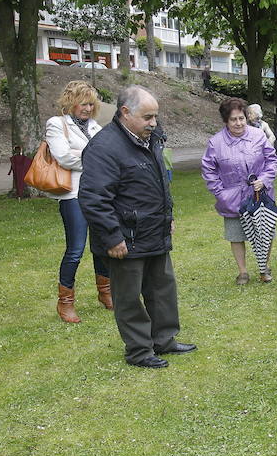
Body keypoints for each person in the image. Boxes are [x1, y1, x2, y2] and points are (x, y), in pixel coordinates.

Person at [79, 85, 196, 369]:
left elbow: (158, 183)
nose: (153, 123)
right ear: (125, 113)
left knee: (162, 289)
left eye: (155, 116)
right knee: (129, 297)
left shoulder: (151, 138)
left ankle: (164, 340)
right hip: (125, 238)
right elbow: (93, 198)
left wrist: (167, 218)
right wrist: (112, 237)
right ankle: (139, 351)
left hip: (154, 230)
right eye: (147, 117)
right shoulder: (104, 147)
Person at [45, 80, 111, 323]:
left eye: (91, 104)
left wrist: (85, 157)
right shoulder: (56, 124)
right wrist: (94, 160)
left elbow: (106, 155)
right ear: (71, 103)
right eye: (83, 103)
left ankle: (105, 292)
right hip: (72, 195)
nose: (87, 108)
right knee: (75, 250)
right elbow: (63, 157)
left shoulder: (95, 127)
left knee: (102, 244)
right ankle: (65, 302)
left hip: (98, 194)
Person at [201, 97, 277, 284]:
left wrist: (265, 179)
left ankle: (264, 267)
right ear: (226, 121)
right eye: (233, 119)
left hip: (260, 194)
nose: (238, 123)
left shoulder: (258, 135)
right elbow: (209, 171)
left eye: (241, 118)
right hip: (232, 197)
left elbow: (272, 160)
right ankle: (242, 271)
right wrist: (221, 194)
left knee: (265, 231)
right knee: (236, 234)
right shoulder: (215, 143)